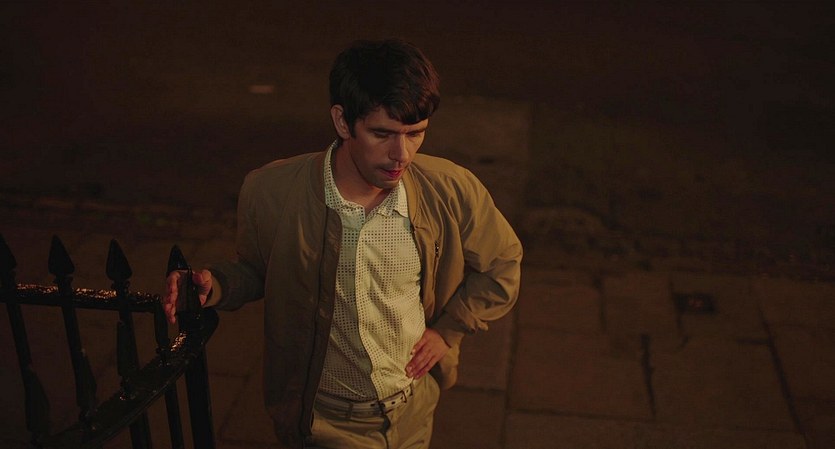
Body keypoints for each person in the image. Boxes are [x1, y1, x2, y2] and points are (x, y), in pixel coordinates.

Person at [163, 38, 522, 449]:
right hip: (325, 423)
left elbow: (503, 262)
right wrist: (217, 285)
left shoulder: (450, 188)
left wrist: (448, 330)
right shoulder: (271, 191)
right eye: (382, 133)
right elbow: (259, 269)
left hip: (413, 412)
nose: (401, 154)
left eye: (416, 133)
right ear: (342, 121)